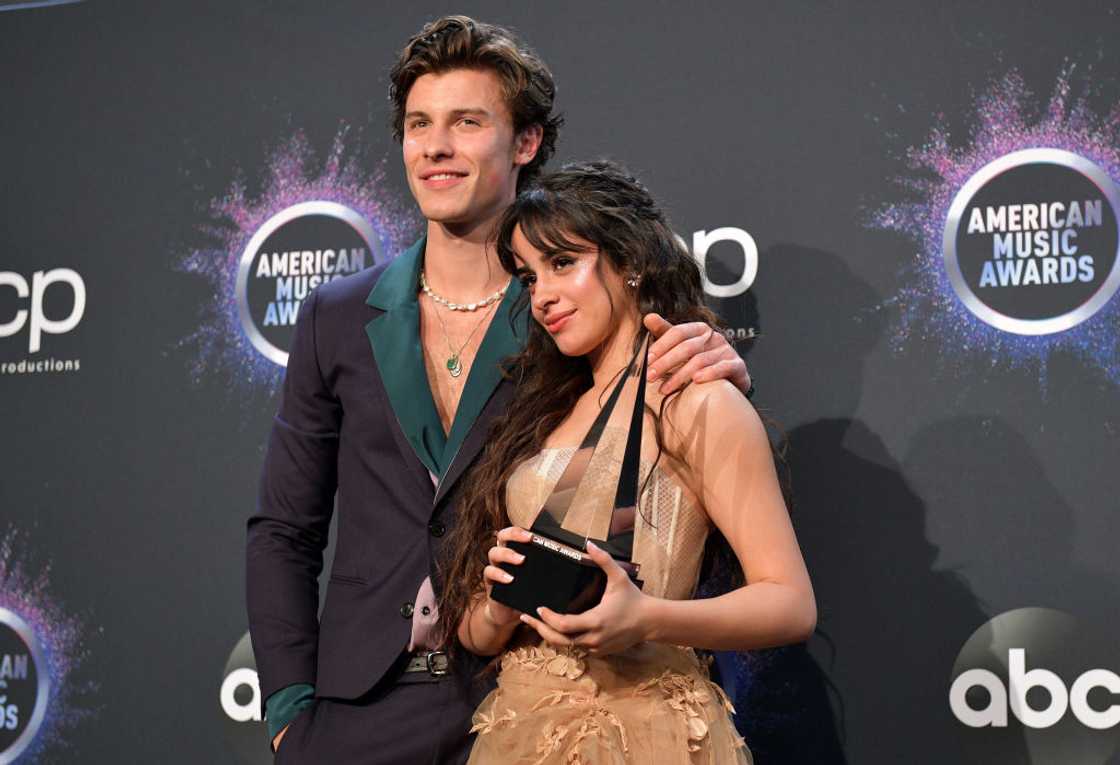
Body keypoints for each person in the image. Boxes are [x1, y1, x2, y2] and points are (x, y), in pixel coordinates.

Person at [246, 17, 753, 764]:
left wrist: (718, 366)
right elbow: (284, 530)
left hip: (523, 699)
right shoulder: (336, 316)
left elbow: (672, 445)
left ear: (527, 143)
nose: (435, 147)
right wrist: (289, 707)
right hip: (357, 710)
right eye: (419, 124)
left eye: (466, 122)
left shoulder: (571, 313)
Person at [436, 161, 815, 764]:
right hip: (521, 728)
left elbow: (791, 604)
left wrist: (647, 617)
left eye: (563, 263)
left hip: (646, 730)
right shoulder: (540, 412)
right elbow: (475, 634)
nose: (544, 296)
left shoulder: (696, 399)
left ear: (631, 260)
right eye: (529, 278)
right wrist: (500, 606)